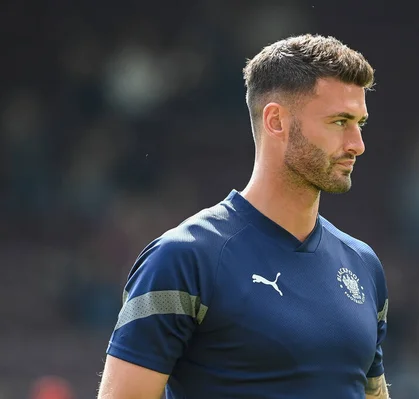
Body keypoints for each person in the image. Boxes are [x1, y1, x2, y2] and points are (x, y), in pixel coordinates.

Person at [97, 34, 390, 399]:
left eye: (359, 122)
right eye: (339, 121)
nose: (356, 144)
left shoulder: (363, 266)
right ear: (276, 121)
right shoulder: (183, 259)